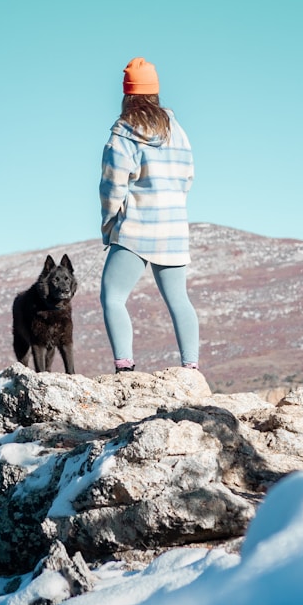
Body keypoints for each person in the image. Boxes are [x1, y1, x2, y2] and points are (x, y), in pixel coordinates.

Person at [99, 57, 200, 373]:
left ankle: (125, 369)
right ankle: (190, 370)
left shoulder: (123, 134)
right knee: (179, 300)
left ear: (127, 94)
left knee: (113, 297)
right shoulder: (177, 131)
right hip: (173, 228)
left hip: (137, 230)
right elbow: (188, 176)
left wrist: (109, 225)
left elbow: (112, 185)